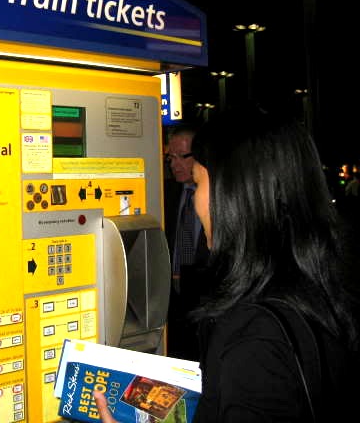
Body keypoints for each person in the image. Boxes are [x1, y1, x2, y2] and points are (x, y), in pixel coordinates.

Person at [95, 106, 359, 422]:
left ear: (234, 195)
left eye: (199, 182)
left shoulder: (255, 334)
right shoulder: (323, 292)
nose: (196, 199)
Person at [163, 125, 210, 361]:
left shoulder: (216, 198)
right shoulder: (166, 193)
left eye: (183, 156)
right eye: (171, 157)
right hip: (171, 300)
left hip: (204, 299)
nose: (175, 164)